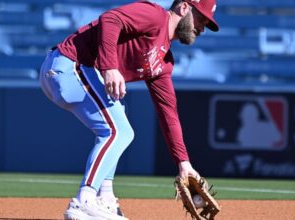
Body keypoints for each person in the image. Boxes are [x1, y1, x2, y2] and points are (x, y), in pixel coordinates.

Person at [39, 0, 219, 219]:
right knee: (118, 131)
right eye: (200, 18)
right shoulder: (155, 16)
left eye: (206, 24)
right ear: (183, 7)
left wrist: (184, 164)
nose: (201, 28)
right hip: (69, 64)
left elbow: (168, 114)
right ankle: (84, 200)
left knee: (117, 126)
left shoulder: (164, 62)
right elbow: (110, 19)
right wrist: (110, 67)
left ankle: (104, 198)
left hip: (73, 73)